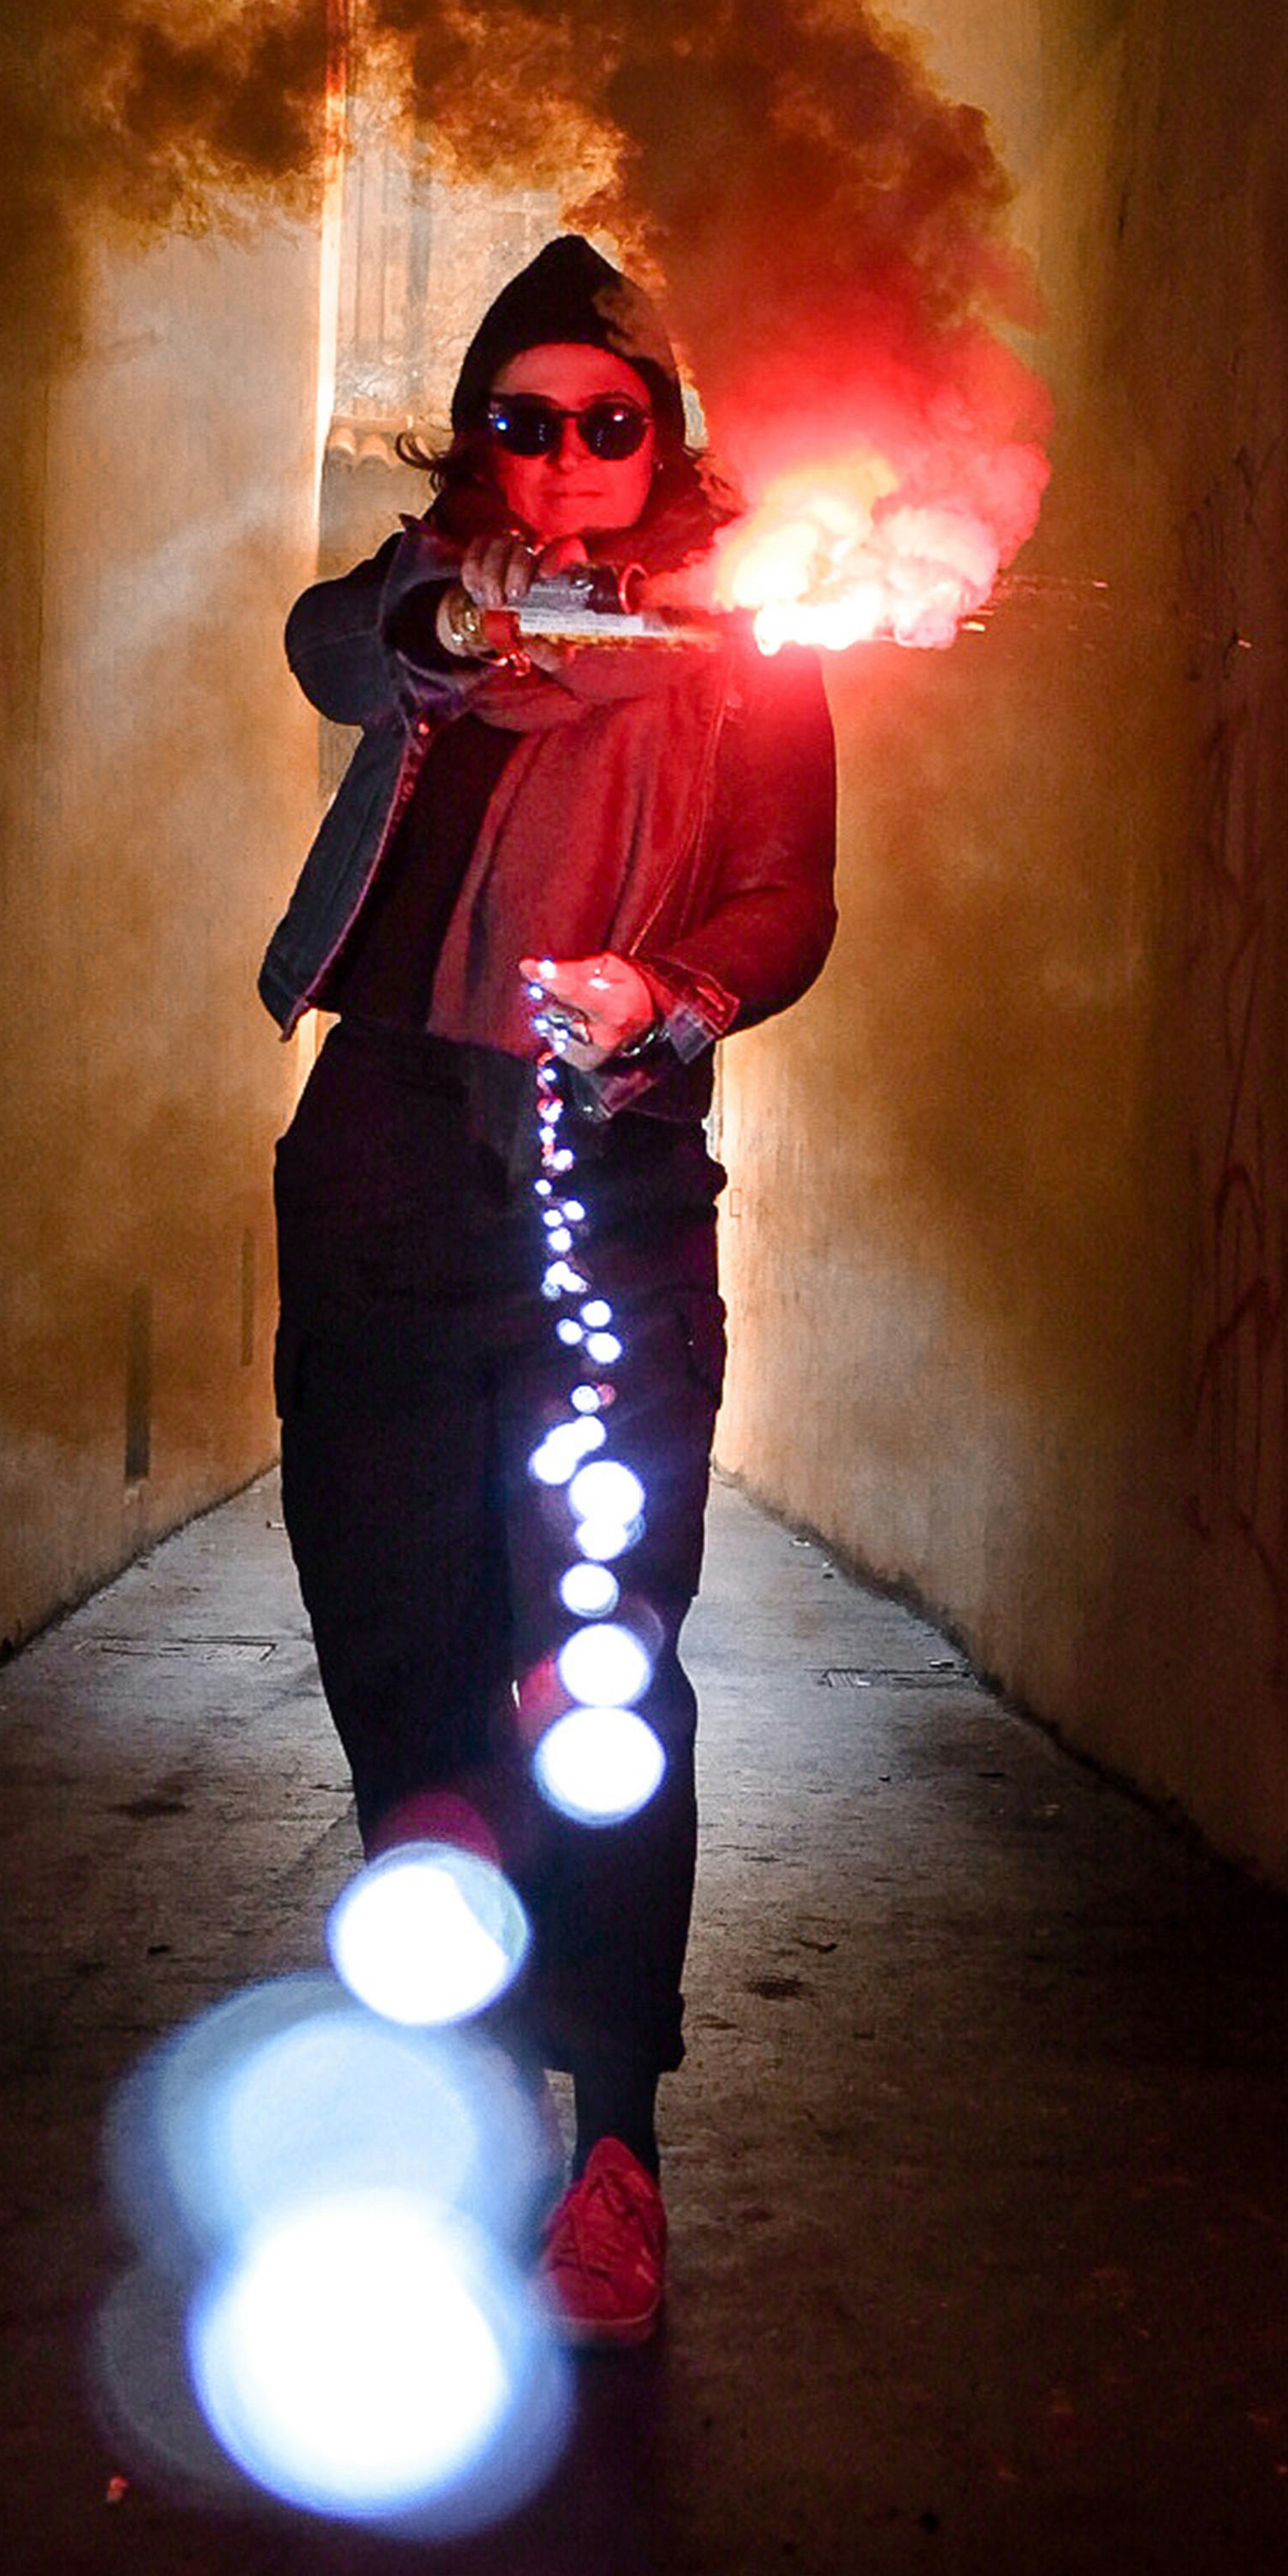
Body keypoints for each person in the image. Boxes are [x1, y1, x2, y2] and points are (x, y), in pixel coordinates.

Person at [259, 235, 838, 2346]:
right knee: (396, 1641)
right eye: (528, 417)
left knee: (598, 1667)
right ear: (477, 436)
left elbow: (787, 892)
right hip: (387, 1162)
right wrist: (449, 607)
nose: (571, 456)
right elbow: (336, 645)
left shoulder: (741, 634)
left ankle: (614, 2146)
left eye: (611, 421)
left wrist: (664, 991)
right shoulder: (435, 598)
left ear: (660, 441)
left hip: (605, 1175)